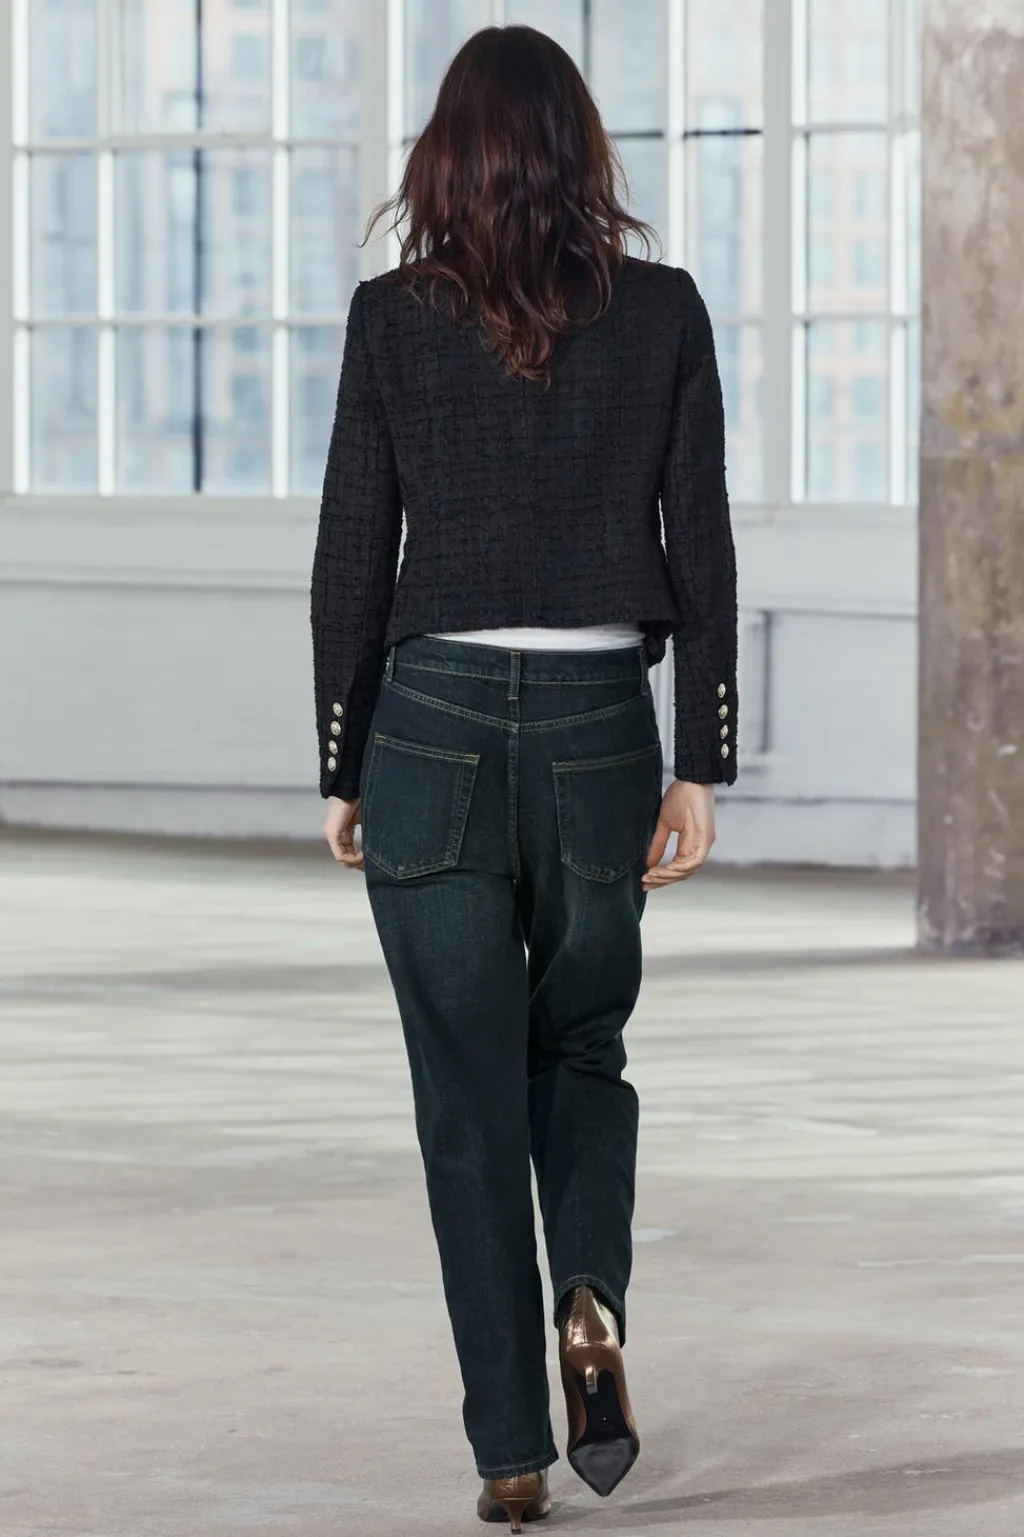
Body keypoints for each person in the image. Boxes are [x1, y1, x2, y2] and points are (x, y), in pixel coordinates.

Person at [311, 23, 737, 1531]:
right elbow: (702, 541)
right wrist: (702, 762)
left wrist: (344, 760)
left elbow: (353, 550)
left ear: (446, 157)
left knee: (465, 1093)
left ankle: (507, 1445)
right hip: (599, 731)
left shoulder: (390, 319)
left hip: (428, 724)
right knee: (584, 1049)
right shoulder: (665, 310)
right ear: (579, 151)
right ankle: (591, 1297)